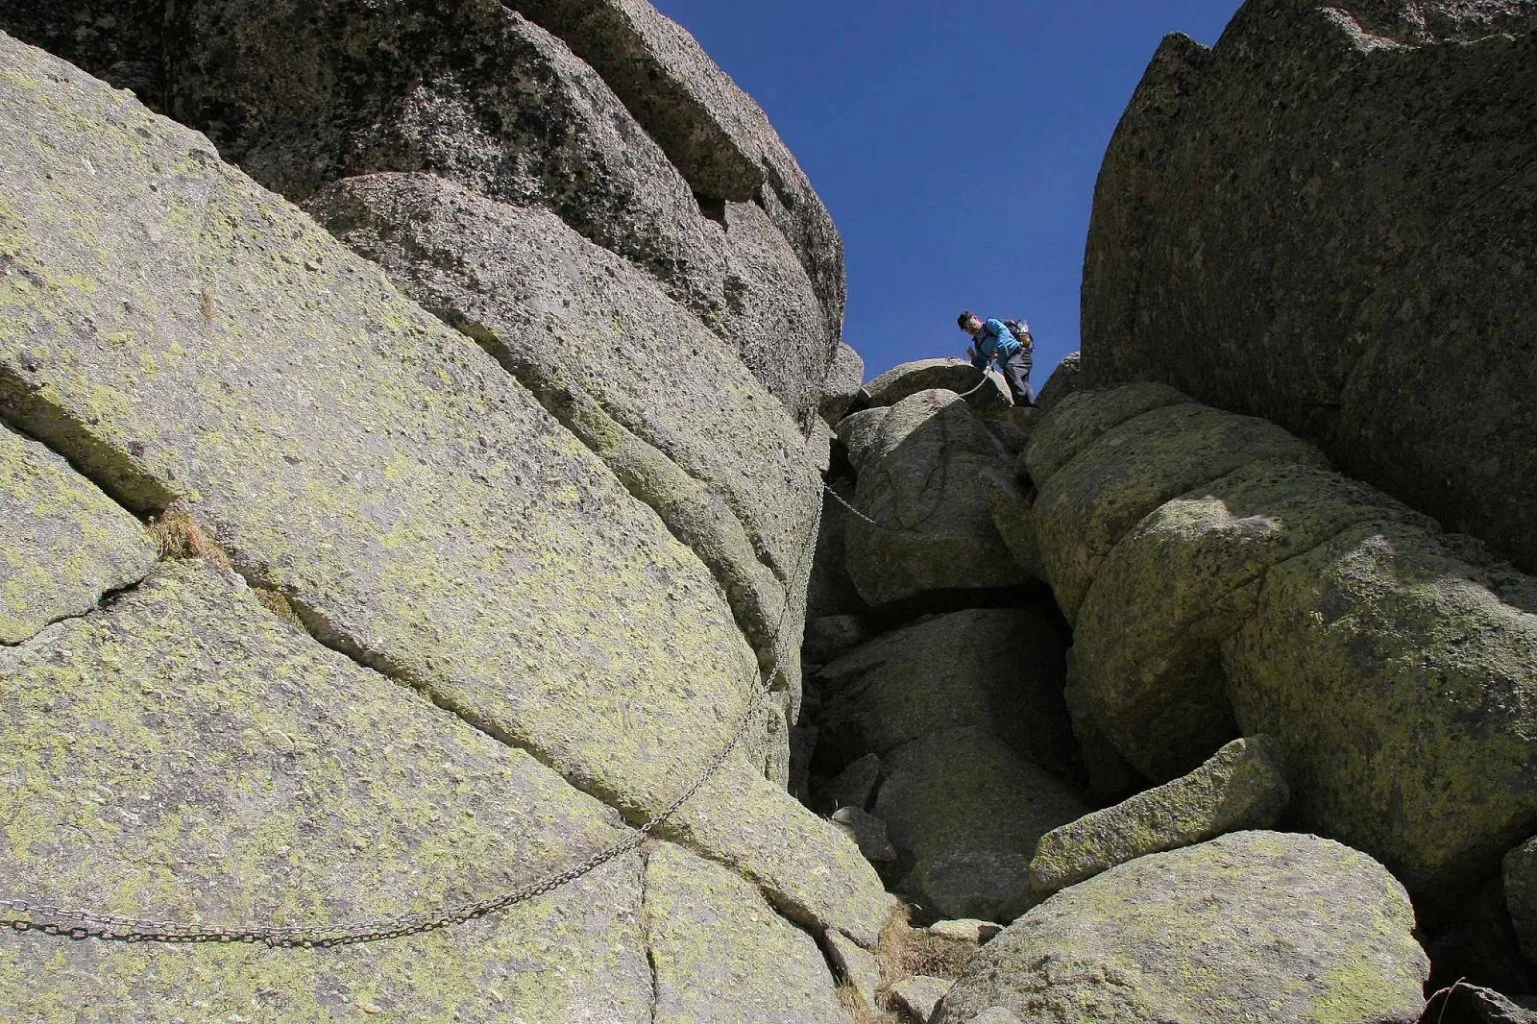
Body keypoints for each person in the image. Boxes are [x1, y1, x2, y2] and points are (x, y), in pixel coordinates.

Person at [958, 311, 1034, 406]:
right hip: (1008, 363)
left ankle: (1022, 403)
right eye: (966, 328)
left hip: (1019, 352)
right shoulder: (978, 344)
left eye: (968, 324)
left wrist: (996, 349)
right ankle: (1028, 407)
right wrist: (974, 359)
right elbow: (982, 363)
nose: (969, 328)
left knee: (1011, 369)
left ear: (975, 318)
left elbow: (1003, 332)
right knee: (1019, 381)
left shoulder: (990, 324)